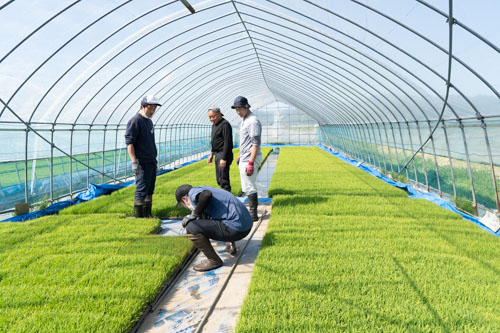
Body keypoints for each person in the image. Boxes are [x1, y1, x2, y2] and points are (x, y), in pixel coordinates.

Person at [175, 184, 252, 272]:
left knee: (192, 227)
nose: (185, 207)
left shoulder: (192, 193)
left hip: (237, 229)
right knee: (204, 217)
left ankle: (214, 261)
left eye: (182, 205)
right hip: (246, 225)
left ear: (185, 199)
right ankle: (230, 242)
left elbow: (206, 195)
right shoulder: (204, 188)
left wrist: (194, 214)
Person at [125, 95, 161, 218]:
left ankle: (148, 215)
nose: (152, 111)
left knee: (150, 189)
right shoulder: (135, 121)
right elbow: (130, 143)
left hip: (151, 161)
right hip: (142, 162)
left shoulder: (149, 121)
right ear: (142, 107)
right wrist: (134, 162)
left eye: (154, 109)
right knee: (141, 189)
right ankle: (139, 218)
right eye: (149, 108)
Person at [232, 96, 262, 221]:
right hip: (245, 157)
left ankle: (253, 215)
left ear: (246, 107)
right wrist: (241, 154)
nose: (238, 112)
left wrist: (250, 162)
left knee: (249, 186)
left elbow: (255, 143)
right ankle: (252, 212)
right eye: (236, 110)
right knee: (246, 186)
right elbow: (246, 141)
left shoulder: (253, 121)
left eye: (240, 109)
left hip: (249, 159)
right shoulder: (245, 119)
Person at [207, 106, 233, 192]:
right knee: (219, 179)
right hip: (218, 154)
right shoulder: (214, 125)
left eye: (213, 116)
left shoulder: (225, 124)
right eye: (209, 117)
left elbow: (227, 142)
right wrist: (211, 154)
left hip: (223, 154)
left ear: (219, 114)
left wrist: (224, 158)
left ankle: (228, 200)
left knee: (223, 179)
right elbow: (214, 141)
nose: (211, 119)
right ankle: (225, 197)